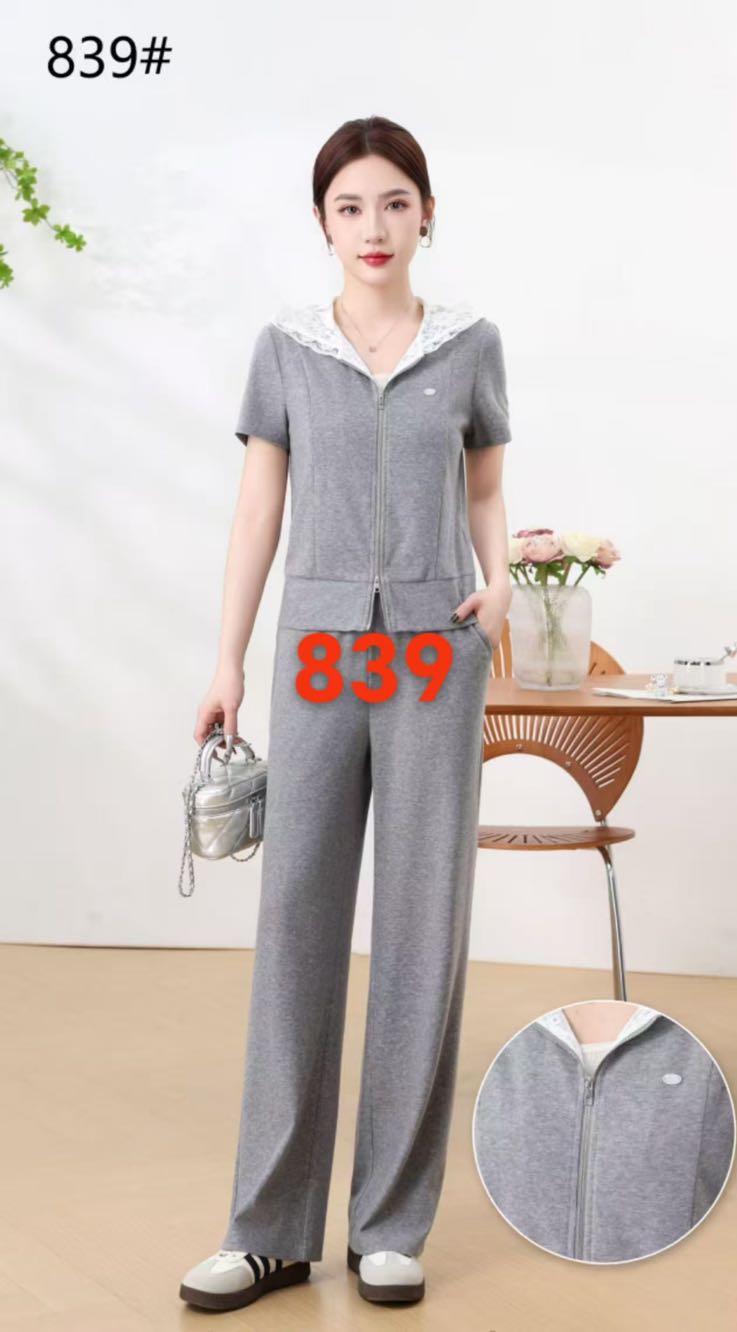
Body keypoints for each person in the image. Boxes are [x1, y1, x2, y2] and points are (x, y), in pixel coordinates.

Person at [179, 113, 513, 1314]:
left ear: (427, 212)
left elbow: (485, 485)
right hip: (321, 649)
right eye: (349, 207)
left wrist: (497, 586)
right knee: (299, 922)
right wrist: (227, 659)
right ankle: (268, 1230)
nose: (373, 227)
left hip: (432, 650)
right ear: (322, 222)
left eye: (394, 202)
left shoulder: (469, 345)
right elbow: (255, 510)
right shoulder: (286, 349)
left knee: (422, 927)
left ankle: (388, 1225)